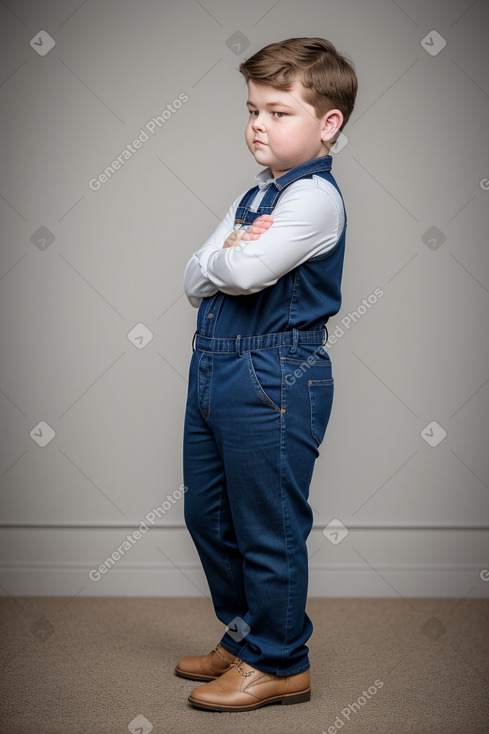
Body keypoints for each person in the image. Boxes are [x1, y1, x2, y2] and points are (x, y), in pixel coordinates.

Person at [176, 37, 358, 712]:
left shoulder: (313, 200)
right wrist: (227, 250)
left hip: (274, 375)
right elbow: (191, 277)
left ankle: (280, 661)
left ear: (326, 123)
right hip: (214, 368)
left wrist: (228, 253)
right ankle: (247, 632)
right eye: (252, 109)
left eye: (278, 112)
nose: (257, 123)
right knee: (207, 515)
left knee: (267, 524)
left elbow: (241, 271)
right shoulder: (257, 195)